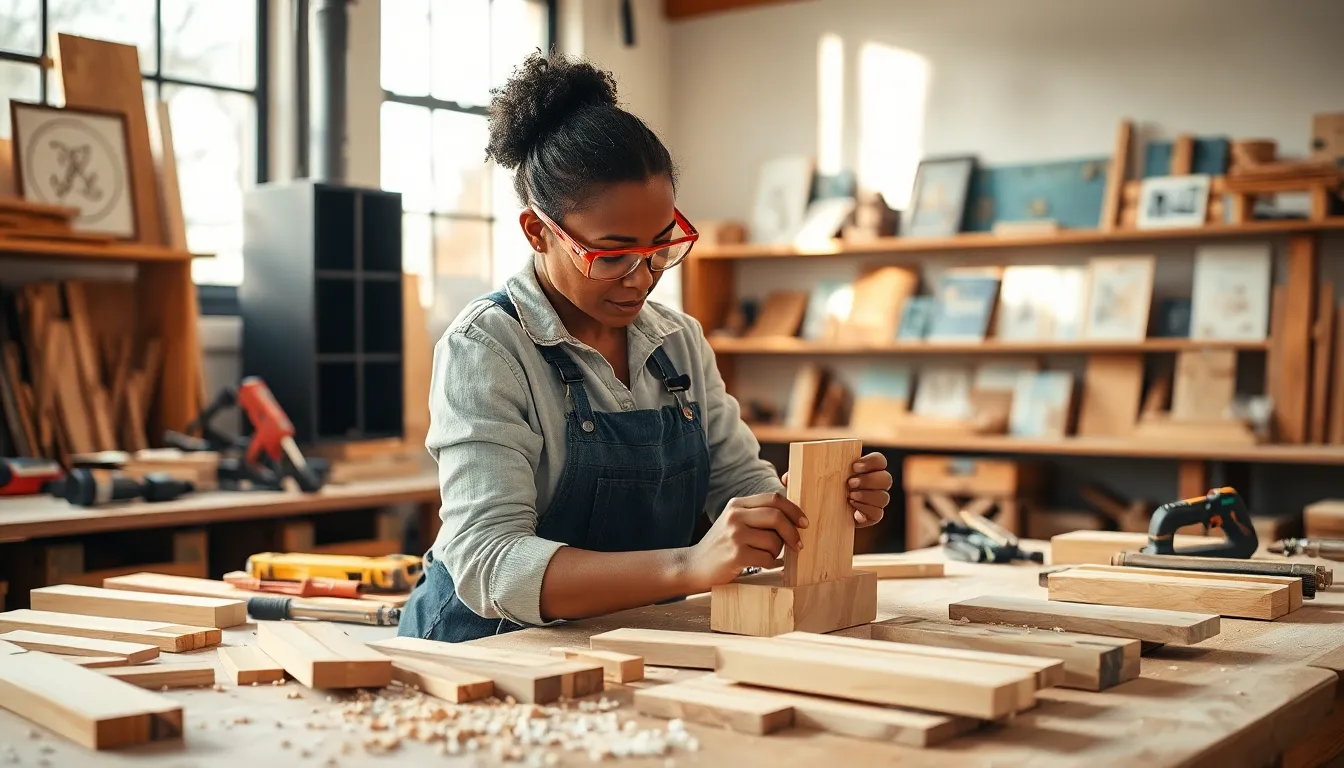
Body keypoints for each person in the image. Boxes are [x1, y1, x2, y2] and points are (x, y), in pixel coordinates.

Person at [399, 51, 893, 642]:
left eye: (661, 246)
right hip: (487, 653)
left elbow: (741, 484)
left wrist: (817, 508)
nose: (641, 276)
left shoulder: (676, 341)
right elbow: (489, 564)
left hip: (628, 643)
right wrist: (689, 565)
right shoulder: (487, 348)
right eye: (611, 255)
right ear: (538, 232)